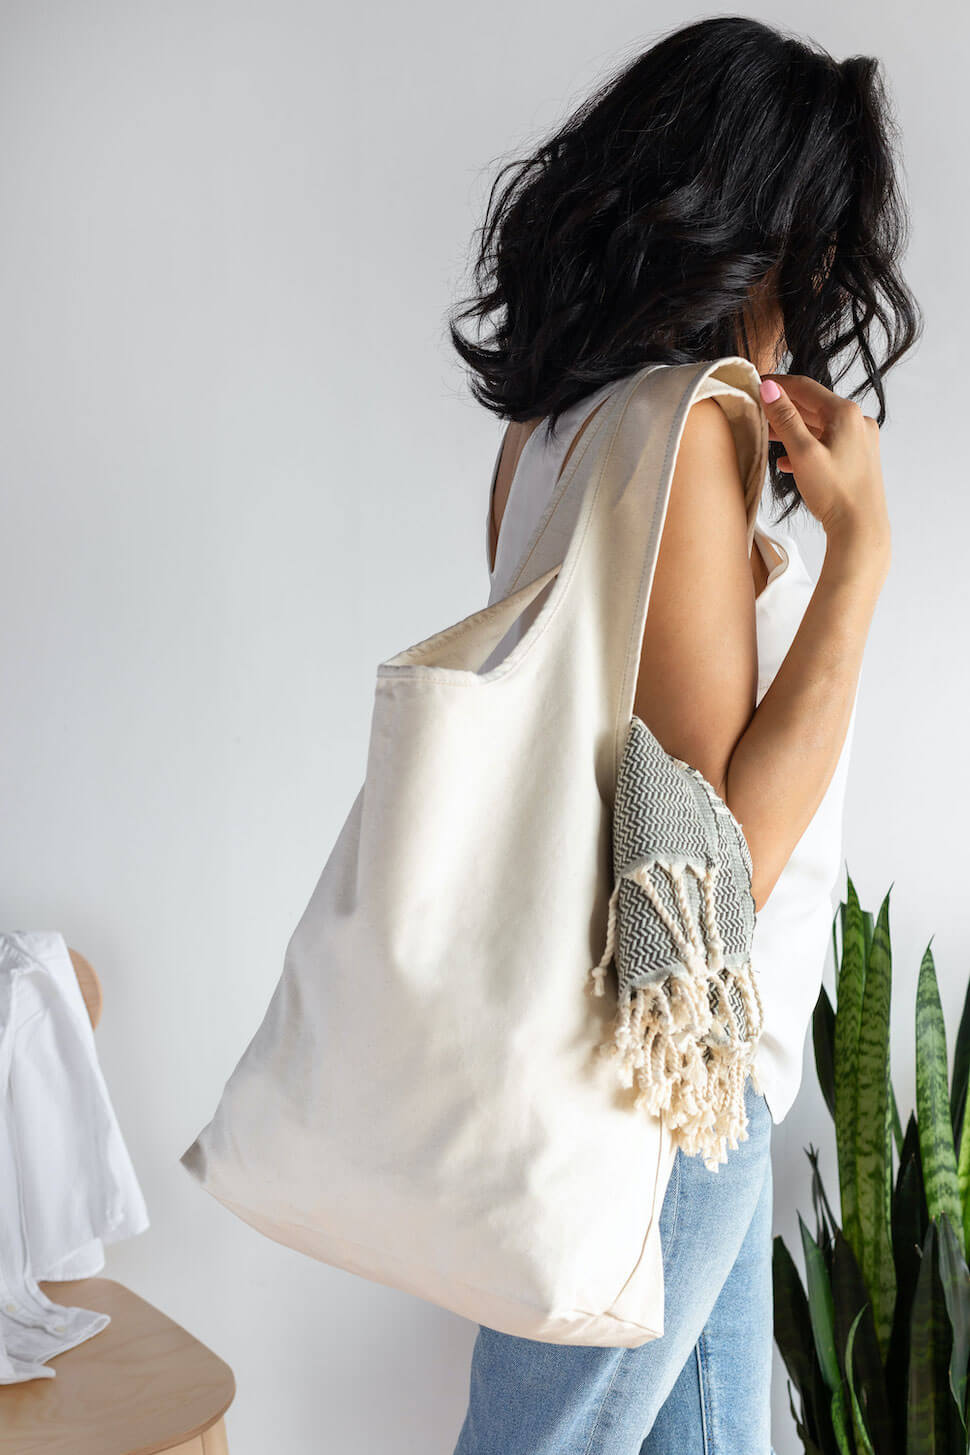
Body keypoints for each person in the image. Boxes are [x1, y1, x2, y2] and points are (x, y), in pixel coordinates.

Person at [446, 14, 921, 1453]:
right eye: (815, 250)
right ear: (756, 232)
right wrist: (858, 563)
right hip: (664, 1090)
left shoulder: (547, 433)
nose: (818, 289)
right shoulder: (683, 433)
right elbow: (720, 868)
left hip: (595, 1064)